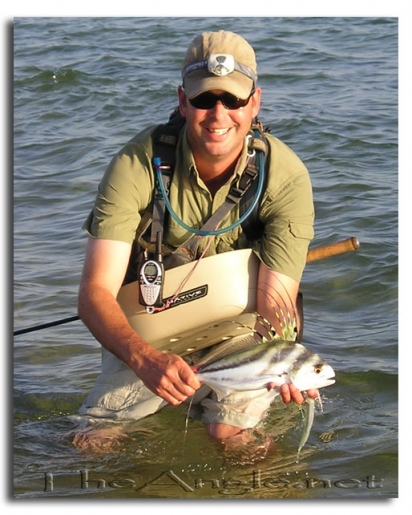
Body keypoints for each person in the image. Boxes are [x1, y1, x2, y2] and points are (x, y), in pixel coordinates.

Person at [77, 30, 316, 444]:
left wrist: (283, 368)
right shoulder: (136, 164)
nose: (218, 113)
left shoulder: (286, 177)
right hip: (150, 330)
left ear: (254, 102)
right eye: (204, 99)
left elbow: (272, 310)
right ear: (183, 102)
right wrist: (145, 359)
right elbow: (94, 292)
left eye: (233, 100)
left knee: (230, 435)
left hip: (241, 332)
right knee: (92, 440)